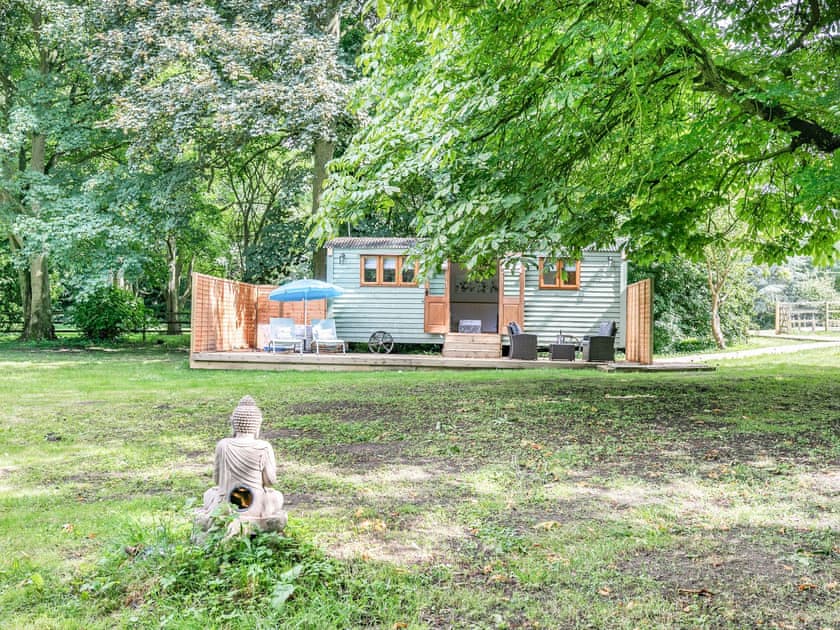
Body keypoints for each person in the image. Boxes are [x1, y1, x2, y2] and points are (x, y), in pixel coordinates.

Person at [195, 396, 286, 535]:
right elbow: (270, 481)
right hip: (256, 506)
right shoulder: (264, 447)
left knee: (209, 494)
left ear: (233, 424)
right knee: (276, 497)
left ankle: (226, 521)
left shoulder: (223, 445)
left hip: (227, 507)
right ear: (257, 424)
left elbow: (217, 480)